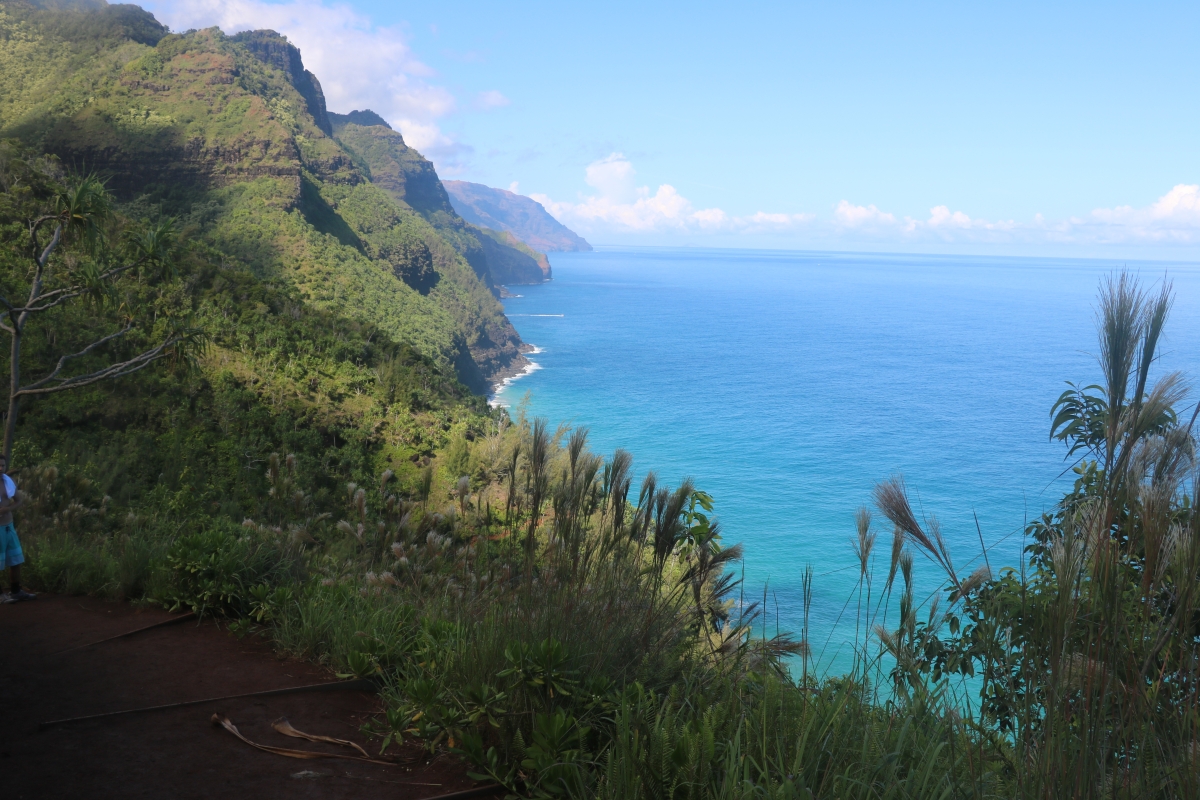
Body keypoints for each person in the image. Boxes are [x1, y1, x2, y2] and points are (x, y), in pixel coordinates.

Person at [0, 455, 33, 603]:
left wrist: (7, 508)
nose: (1, 468)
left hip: (9, 526)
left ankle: (15, 591)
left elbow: (19, 501)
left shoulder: (8, 481)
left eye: (3, 465)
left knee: (16, 559)